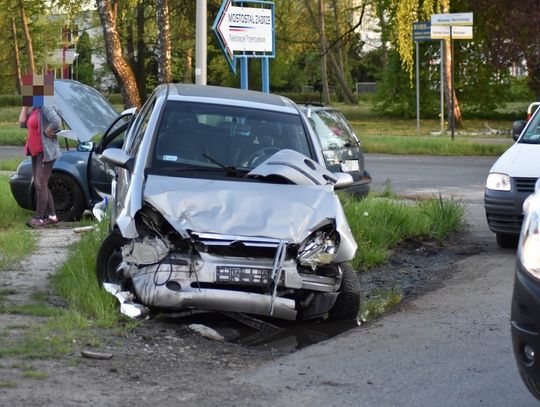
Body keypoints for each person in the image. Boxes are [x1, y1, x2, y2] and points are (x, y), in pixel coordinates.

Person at [19, 104, 62, 227]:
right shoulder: (35, 109)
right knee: (41, 184)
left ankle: (39, 218)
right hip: (35, 152)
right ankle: (52, 217)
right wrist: (25, 107)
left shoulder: (45, 107)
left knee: (40, 183)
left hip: (45, 152)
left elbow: (57, 122)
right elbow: (22, 123)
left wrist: (47, 131)